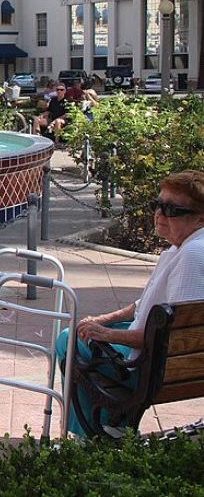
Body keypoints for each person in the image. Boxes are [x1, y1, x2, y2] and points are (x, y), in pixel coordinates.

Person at [56, 170, 204, 436]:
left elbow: (167, 338)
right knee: (85, 332)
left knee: (68, 341)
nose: (159, 213)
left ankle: (92, 435)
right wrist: (104, 321)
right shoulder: (182, 246)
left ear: (199, 218)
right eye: (157, 205)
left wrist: (107, 334)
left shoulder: (192, 255)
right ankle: (110, 426)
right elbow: (144, 305)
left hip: (156, 370)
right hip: (173, 361)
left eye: (171, 209)